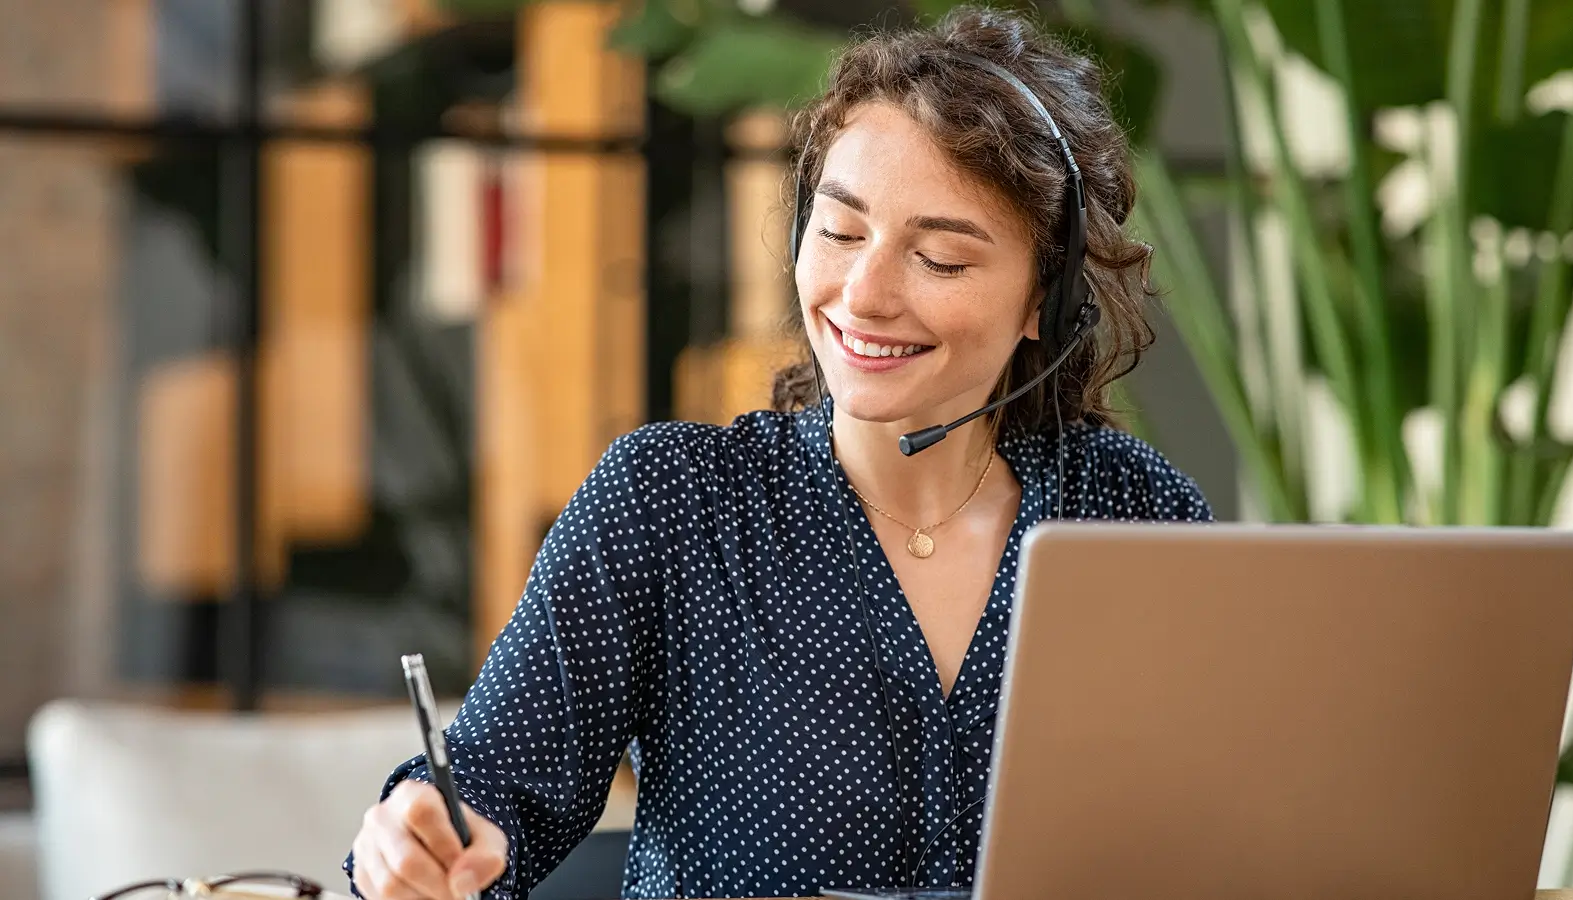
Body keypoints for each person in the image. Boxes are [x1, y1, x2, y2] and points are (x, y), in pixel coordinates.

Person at [345, 5, 1212, 899]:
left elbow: (1224, 824)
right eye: (839, 233)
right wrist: (418, 843)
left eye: (942, 260)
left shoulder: (1135, 515)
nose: (862, 294)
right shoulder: (672, 501)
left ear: (1048, 301)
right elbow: (490, 791)